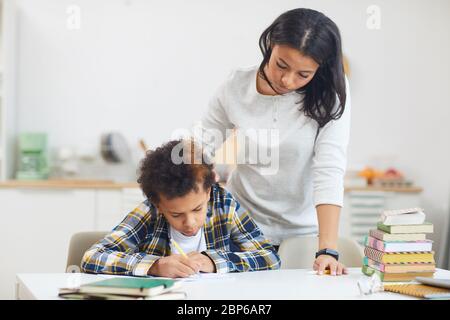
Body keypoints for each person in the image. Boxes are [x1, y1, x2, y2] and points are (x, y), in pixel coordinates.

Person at [198, 8, 351, 275]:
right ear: (270, 44)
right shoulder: (236, 85)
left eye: (303, 74)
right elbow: (201, 143)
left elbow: (329, 168)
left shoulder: (332, 94)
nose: (287, 80)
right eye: (281, 64)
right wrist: (195, 168)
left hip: (301, 235)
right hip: (239, 228)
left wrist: (327, 249)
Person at [81, 139, 280, 278]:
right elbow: (93, 257)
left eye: (197, 209)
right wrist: (155, 266)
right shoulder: (150, 212)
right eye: (176, 214)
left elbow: (269, 257)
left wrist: (213, 261)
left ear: (209, 192)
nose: (189, 223)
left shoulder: (223, 204)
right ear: (159, 205)